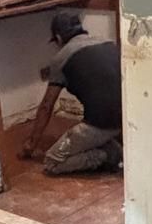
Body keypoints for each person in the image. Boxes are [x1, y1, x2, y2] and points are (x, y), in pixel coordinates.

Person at [18, 11, 123, 175]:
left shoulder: (61, 59)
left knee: (53, 161)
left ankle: (108, 154)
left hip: (101, 123)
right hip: (128, 117)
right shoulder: (108, 43)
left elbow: (47, 105)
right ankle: (112, 142)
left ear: (58, 38)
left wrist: (31, 144)